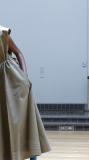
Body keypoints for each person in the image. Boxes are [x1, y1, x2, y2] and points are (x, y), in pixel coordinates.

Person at [0, 25, 51, 160]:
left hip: (12, 81)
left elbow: (18, 53)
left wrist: (24, 77)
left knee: (24, 119)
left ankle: (33, 156)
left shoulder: (2, 34)